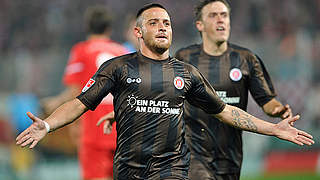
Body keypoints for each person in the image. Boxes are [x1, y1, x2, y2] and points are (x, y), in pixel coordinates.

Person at [16, 3, 314, 180]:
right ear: (138, 32)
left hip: (172, 168)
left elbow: (226, 111)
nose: (162, 27)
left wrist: (274, 129)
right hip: (129, 169)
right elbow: (80, 103)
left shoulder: (186, 73)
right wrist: (48, 124)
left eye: (167, 23)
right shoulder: (117, 67)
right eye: (154, 22)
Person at [174, 0, 293, 179]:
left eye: (224, 15)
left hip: (230, 156)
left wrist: (277, 109)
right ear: (200, 25)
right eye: (213, 15)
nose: (220, 20)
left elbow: (267, 100)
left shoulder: (246, 59)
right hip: (193, 154)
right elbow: (167, 96)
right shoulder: (184, 58)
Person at [40, 6, 128, 180]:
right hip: (121, 128)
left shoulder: (82, 51)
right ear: (109, 28)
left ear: (87, 27)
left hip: (94, 130)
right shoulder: (123, 53)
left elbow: (74, 92)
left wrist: (53, 104)